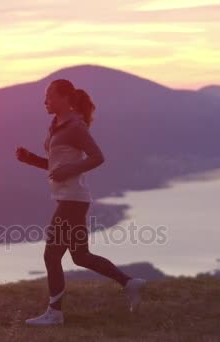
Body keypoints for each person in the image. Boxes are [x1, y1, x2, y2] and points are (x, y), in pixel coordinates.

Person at [15, 79, 146, 326]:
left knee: (51, 255)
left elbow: (98, 157)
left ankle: (55, 313)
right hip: (71, 198)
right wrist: (30, 159)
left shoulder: (75, 126)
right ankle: (130, 283)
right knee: (81, 256)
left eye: (49, 96)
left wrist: (70, 170)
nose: (45, 101)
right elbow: (57, 167)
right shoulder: (57, 125)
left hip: (72, 199)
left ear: (65, 98)